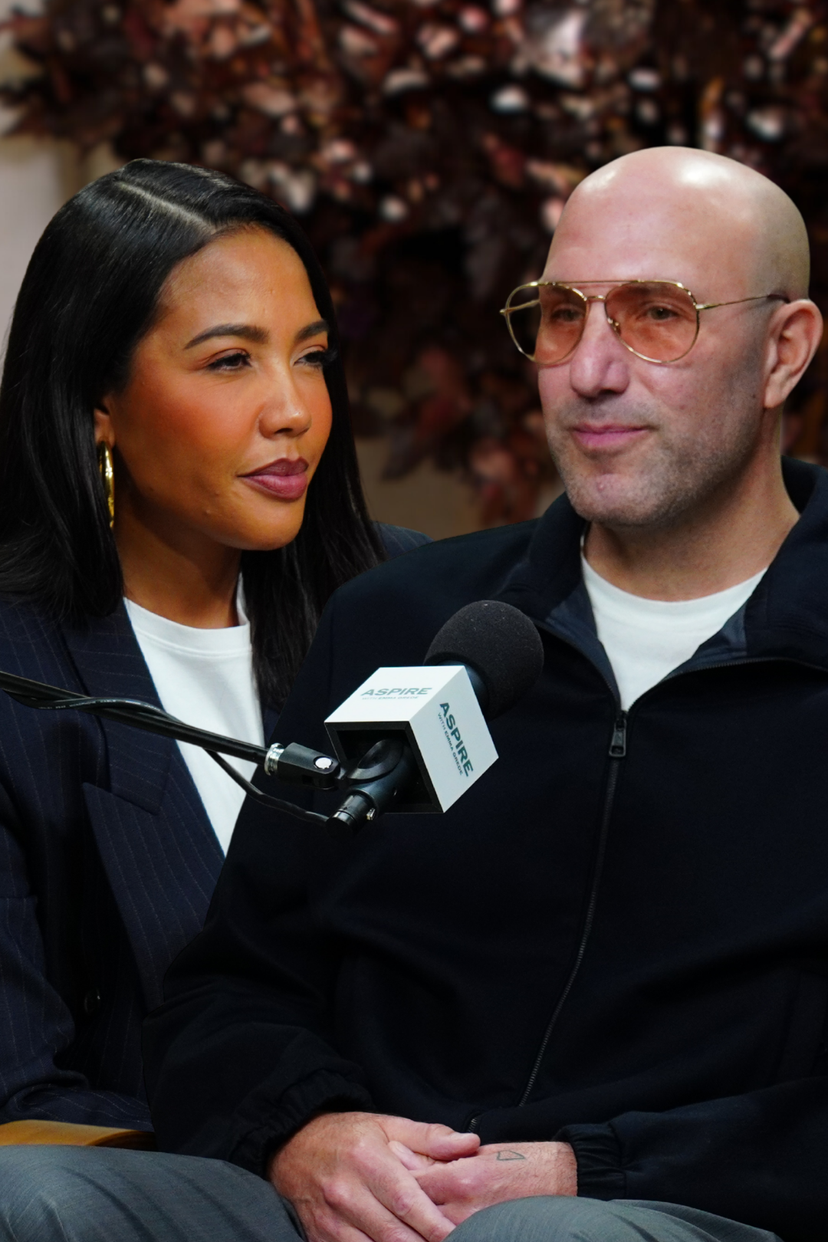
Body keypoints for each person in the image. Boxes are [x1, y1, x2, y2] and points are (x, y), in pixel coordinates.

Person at [0, 145, 823, 1242]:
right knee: (31, 1200)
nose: (591, 370)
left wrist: (589, 1171)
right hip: (354, 1210)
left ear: (784, 352)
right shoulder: (405, 619)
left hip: (662, 1207)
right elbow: (225, 991)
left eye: (657, 314)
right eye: (562, 315)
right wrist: (304, 1130)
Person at [0, 159, 427, 1133]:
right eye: (231, 361)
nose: (293, 409)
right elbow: (20, 1107)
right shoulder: (16, 675)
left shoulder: (414, 611)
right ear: (96, 398)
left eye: (312, 355)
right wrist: (288, 1153)